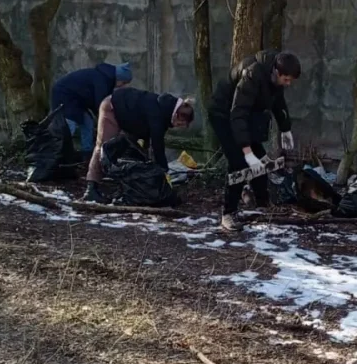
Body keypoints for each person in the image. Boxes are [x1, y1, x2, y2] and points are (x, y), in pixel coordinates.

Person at [208, 50, 300, 231]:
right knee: (238, 162)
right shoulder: (252, 74)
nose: (288, 84)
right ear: (276, 72)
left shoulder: (275, 77)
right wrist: (246, 151)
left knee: (261, 159)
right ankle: (228, 213)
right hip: (224, 114)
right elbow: (238, 113)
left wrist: (286, 128)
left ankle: (262, 203)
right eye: (286, 80)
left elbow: (278, 103)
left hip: (244, 116)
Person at [83, 87, 195, 202]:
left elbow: (150, 142)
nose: (178, 126)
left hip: (127, 116)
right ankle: (91, 188)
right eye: (180, 124)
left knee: (134, 153)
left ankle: (128, 186)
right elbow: (157, 145)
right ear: (176, 115)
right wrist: (164, 170)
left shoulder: (165, 110)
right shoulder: (158, 114)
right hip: (112, 107)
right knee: (102, 147)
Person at [51, 62, 132, 162]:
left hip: (76, 100)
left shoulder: (104, 78)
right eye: (123, 83)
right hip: (65, 97)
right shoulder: (102, 80)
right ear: (119, 78)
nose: (122, 86)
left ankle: (87, 154)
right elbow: (100, 104)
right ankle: (56, 155)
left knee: (87, 123)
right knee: (67, 127)